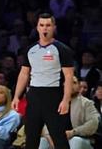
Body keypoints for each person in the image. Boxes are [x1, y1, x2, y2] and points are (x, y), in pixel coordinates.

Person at [12, 13, 75, 149]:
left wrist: (66, 100)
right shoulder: (30, 50)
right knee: (31, 138)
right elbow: (24, 74)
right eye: (42, 25)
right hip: (34, 96)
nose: (45, 28)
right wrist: (16, 96)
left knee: (59, 138)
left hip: (53, 96)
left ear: (54, 27)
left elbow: (69, 76)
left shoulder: (62, 49)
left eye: (48, 25)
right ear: (37, 28)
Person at [38, 76, 100, 149]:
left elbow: (93, 123)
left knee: (75, 141)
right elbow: (46, 123)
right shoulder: (55, 102)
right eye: (68, 82)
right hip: (58, 138)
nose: (70, 85)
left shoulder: (87, 103)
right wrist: (49, 136)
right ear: (64, 85)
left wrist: (73, 132)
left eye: (74, 83)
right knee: (43, 141)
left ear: (79, 86)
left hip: (80, 138)